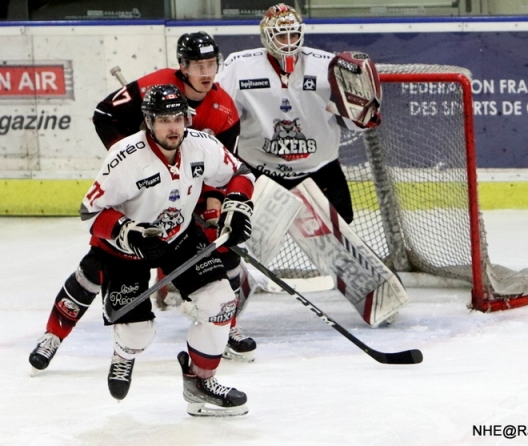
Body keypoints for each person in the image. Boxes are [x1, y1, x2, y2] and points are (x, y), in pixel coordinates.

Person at [28, 32, 257, 376]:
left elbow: (232, 168)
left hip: (190, 186)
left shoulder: (222, 109)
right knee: (94, 270)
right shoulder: (155, 89)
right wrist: (138, 163)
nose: (206, 72)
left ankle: (225, 324)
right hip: (136, 203)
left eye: (211, 64)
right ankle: (53, 336)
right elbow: (105, 115)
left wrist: (228, 202)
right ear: (183, 67)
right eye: (198, 65)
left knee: (215, 244)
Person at [81, 84, 254, 415]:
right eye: (163, 120)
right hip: (126, 250)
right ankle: (124, 353)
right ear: (148, 121)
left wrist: (235, 202)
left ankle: (200, 383)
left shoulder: (201, 145)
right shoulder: (125, 157)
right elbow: (90, 212)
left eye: (177, 118)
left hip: (179, 236)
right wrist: (128, 233)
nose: (173, 127)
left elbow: (240, 173)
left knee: (220, 301)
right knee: (136, 334)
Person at [215, 3, 381, 225]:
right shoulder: (238, 67)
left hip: (320, 169)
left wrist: (363, 114)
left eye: (293, 34)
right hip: (259, 171)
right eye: (281, 36)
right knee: (243, 238)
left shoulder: (327, 67)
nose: (289, 42)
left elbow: (355, 123)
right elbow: (222, 120)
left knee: (342, 243)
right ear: (266, 36)